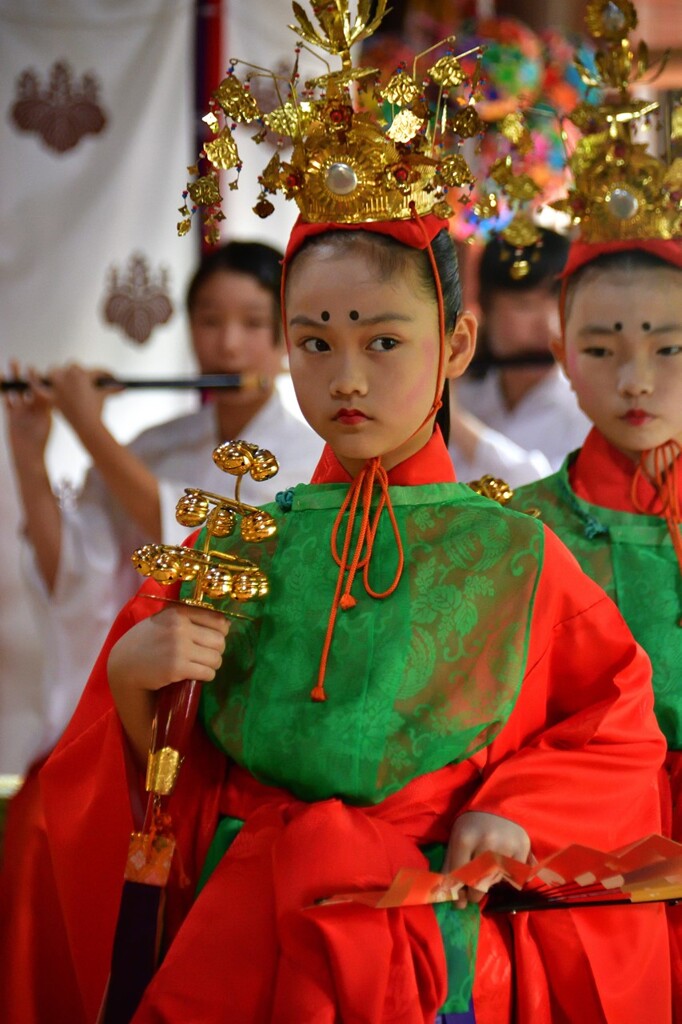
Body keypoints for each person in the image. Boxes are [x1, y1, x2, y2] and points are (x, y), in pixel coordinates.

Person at [24, 4, 672, 1022]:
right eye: (314, 341)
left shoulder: (518, 547)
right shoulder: (240, 537)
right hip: (247, 929)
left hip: (432, 937)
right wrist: (134, 685)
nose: (346, 376)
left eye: (381, 340)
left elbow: (613, 723)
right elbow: (166, 783)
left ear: (455, 346)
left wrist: (509, 810)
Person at [2, 240, 323, 761]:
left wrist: (88, 427)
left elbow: (193, 540)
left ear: (286, 334)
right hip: (136, 690)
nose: (230, 345)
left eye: (253, 323)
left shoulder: (309, 455)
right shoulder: (154, 446)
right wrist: (28, 453)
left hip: (244, 694)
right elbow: (75, 576)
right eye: (210, 321)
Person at [510, 239, 682, 1020]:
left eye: (669, 347)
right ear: (560, 354)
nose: (636, 379)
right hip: (588, 851)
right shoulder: (520, 532)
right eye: (601, 348)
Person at [452, 228, 591, 484]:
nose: (548, 327)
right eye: (524, 305)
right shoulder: (464, 392)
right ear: (485, 306)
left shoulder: (589, 408)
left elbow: (548, 494)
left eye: (560, 305)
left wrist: (456, 421)